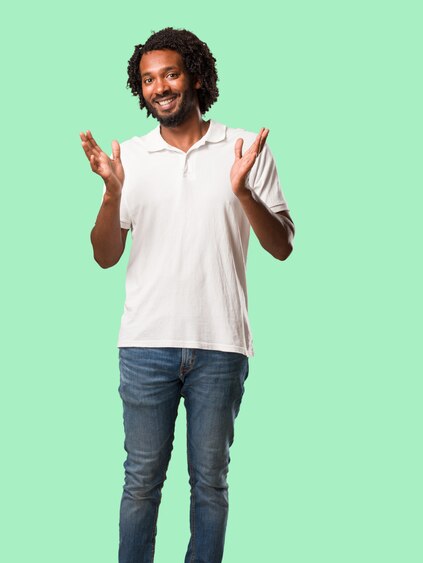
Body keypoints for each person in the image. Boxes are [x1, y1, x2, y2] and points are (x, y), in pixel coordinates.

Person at [79, 27, 294, 563]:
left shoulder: (243, 148)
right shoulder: (129, 156)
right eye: (148, 80)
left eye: (170, 74)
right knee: (140, 483)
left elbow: (283, 246)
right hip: (146, 344)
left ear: (195, 76)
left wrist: (241, 190)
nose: (160, 87)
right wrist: (111, 193)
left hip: (220, 346)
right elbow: (105, 255)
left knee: (211, 484)